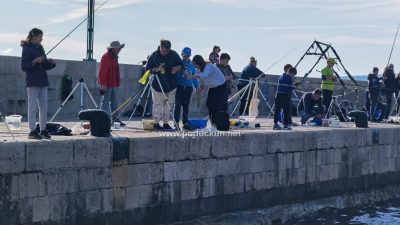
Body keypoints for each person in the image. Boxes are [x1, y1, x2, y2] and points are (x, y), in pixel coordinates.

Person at [21, 28, 56, 139]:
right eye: (40, 36)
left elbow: (45, 65)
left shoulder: (40, 48)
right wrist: (34, 61)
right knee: (32, 107)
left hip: (43, 81)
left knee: (44, 107)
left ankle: (43, 130)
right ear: (34, 36)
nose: (42, 39)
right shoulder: (26, 48)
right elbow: (24, 66)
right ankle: (32, 131)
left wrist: (51, 63)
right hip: (32, 82)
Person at [146, 39, 183, 131]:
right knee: (157, 104)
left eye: (167, 51)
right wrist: (156, 69)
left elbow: (181, 65)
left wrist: (177, 68)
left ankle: (166, 123)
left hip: (171, 86)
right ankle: (156, 123)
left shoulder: (174, 54)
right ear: (160, 47)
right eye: (163, 51)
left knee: (169, 105)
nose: (165, 53)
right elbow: (148, 68)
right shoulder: (154, 55)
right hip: (157, 86)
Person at [188, 55, 227, 127]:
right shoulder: (201, 70)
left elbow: (204, 75)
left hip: (221, 86)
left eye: (194, 64)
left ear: (198, 63)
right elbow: (203, 82)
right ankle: (213, 123)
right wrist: (199, 89)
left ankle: (218, 123)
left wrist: (193, 77)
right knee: (209, 104)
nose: (194, 66)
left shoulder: (208, 66)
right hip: (213, 87)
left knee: (217, 105)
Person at [98, 41, 126, 126]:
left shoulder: (114, 56)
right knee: (105, 103)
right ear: (113, 49)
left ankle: (115, 120)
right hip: (107, 83)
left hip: (112, 83)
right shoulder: (106, 57)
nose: (120, 50)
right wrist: (104, 84)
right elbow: (102, 72)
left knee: (114, 102)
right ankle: (102, 120)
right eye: (118, 48)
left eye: (120, 48)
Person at [174, 47, 199, 131]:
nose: (186, 57)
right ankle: (176, 123)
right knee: (177, 105)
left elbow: (194, 77)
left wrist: (197, 87)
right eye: (184, 55)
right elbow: (174, 74)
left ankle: (185, 123)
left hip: (188, 88)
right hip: (179, 86)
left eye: (188, 56)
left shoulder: (192, 65)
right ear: (181, 55)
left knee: (186, 106)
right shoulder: (178, 63)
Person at [273, 65, 297, 130]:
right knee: (286, 111)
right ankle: (286, 125)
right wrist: (295, 86)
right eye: (293, 75)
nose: (293, 76)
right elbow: (289, 88)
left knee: (277, 110)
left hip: (278, 95)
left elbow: (285, 86)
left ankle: (275, 124)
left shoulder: (281, 77)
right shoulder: (289, 78)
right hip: (285, 96)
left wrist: (293, 85)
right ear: (292, 73)